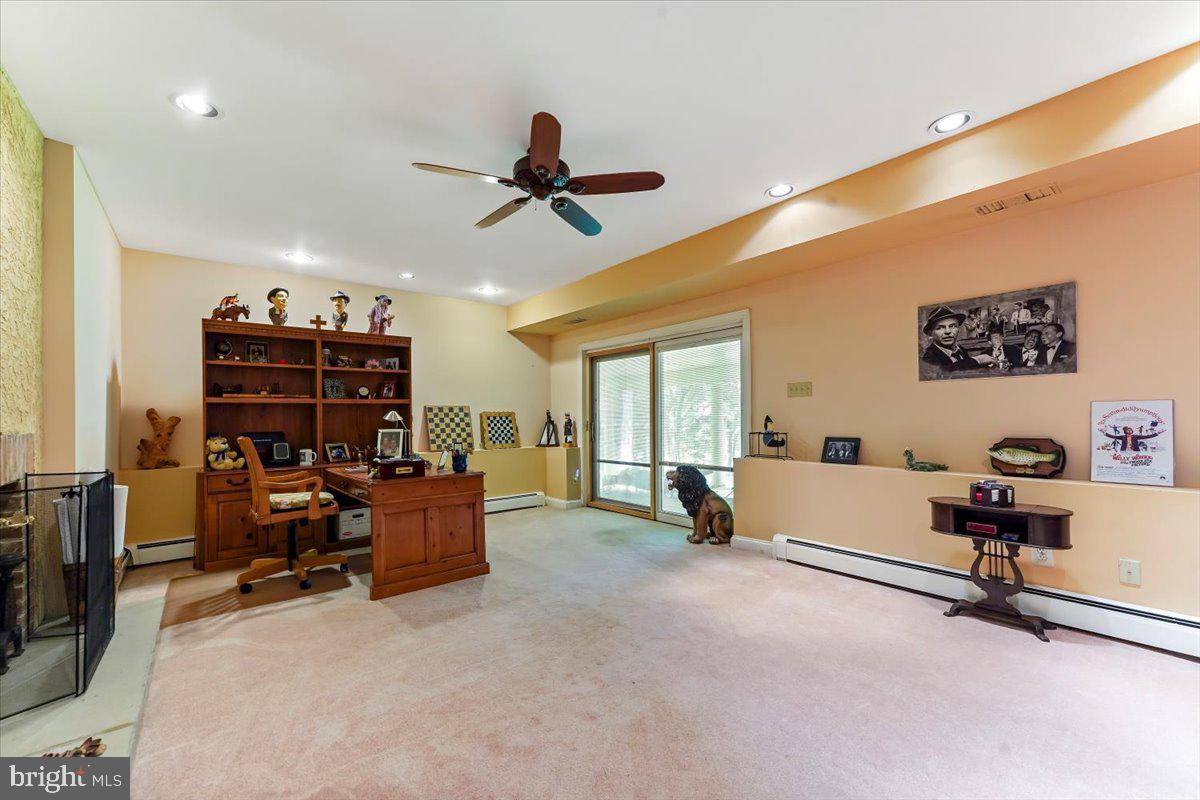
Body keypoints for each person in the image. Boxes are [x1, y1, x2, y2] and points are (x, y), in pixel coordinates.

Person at [921, 305, 995, 372]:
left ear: (958, 329)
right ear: (930, 333)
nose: (948, 331)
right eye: (940, 328)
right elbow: (943, 372)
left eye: (953, 326)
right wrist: (978, 360)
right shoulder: (928, 358)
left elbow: (965, 370)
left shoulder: (961, 350)